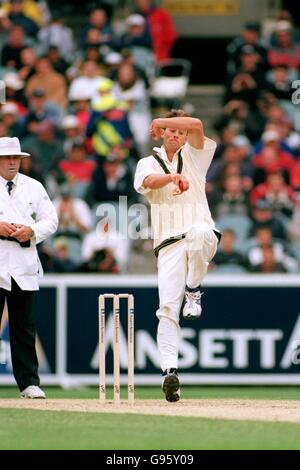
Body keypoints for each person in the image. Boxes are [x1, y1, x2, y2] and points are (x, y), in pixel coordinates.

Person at [134, 110, 220, 402]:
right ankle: (169, 372)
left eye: (178, 131)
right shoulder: (146, 162)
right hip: (168, 244)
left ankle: (194, 290)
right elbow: (149, 181)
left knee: (201, 232)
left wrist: (163, 121)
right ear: (160, 136)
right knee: (167, 309)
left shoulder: (196, 157)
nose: (174, 134)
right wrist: (171, 177)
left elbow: (196, 124)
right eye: (169, 131)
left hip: (199, 234)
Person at [0, 137, 58, 398]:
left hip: (23, 263)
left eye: (16, 158)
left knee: (24, 327)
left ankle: (28, 383)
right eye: (7, 158)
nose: (12, 163)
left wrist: (31, 231)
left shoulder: (33, 186)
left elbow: (51, 220)